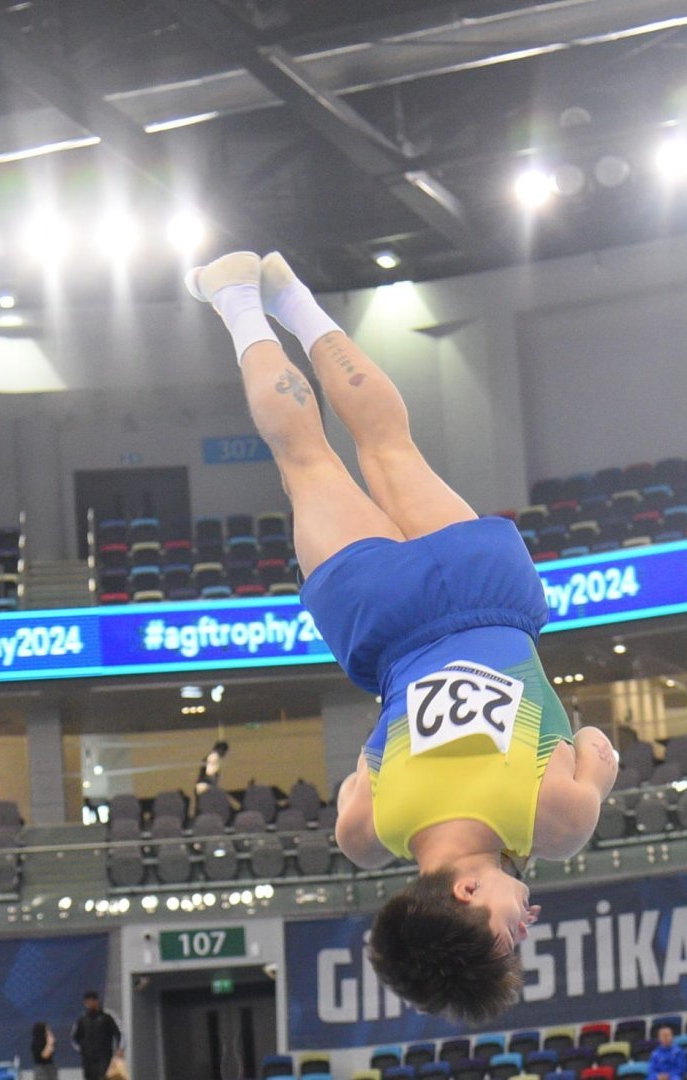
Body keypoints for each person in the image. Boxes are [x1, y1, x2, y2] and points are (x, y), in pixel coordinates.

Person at [185, 251, 617, 1022]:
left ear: (466, 892)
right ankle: (243, 299)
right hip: (383, 623)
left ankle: (293, 296)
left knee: (390, 446)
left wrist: (557, 785)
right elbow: (364, 763)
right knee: (307, 460)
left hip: (486, 597)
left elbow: (600, 747)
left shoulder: (557, 820)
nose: (525, 930)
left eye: (505, 937)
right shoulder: (364, 830)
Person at [70, 990, 123, 1080]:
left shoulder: (107, 1017)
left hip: (104, 1057)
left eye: (91, 1001)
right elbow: (74, 1038)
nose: (88, 1004)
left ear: (96, 1001)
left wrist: (118, 1049)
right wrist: (83, 1049)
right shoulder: (82, 1019)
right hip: (88, 1059)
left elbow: (118, 1033)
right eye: (87, 1002)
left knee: (103, 1077)